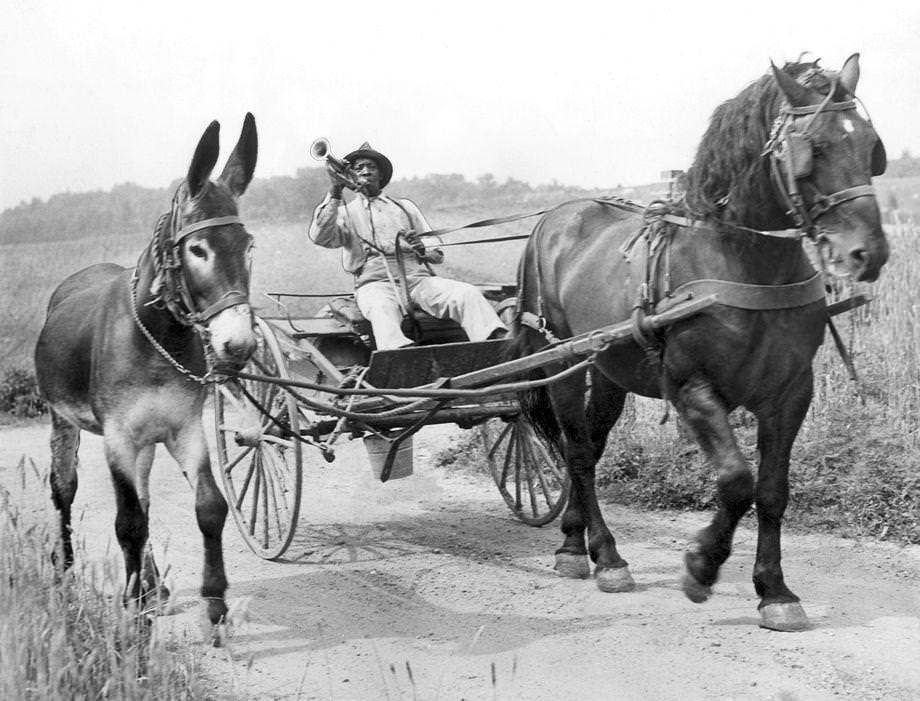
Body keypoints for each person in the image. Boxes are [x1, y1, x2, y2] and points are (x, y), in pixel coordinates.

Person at [308, 142, 508, 349]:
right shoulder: (344, 212)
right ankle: (401, 356)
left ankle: (496, 345)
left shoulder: (405, 207)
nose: (366, 171)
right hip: (376, 284)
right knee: (381, 308)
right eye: (358, 168)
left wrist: (421, 247)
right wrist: (335, 191)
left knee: (466, 293)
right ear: (350, 175)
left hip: (418, 281)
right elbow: (320, 236)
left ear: (381, 174)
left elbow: (437, 253)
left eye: (371, 166)